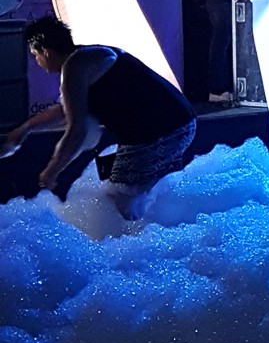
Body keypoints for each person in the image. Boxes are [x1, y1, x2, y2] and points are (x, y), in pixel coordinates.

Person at [1, 16, 195, 214]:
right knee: (119, 191)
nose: (37, 61)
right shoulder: (84, 59)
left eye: (35, 55)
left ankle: (152, 228)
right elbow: (66, 111)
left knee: (116, 201)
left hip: (164, 133)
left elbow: (77, 130)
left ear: (46, 52)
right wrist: (26, 129)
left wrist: (52, 170)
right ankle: (164, 218)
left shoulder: (76, 66)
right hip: (174, 125)